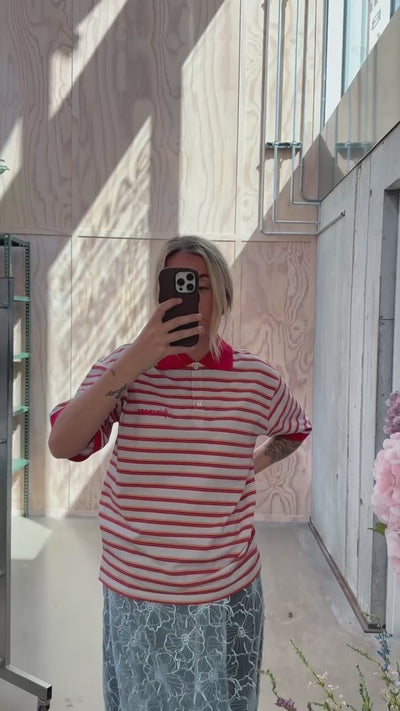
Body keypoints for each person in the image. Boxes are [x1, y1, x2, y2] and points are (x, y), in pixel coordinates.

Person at [48, 235, 312, 711]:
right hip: (137, 589)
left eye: (201, 285)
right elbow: (63, 444)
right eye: (175, 284)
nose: (187, 296)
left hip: (227, 589)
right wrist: (134, 360)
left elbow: (293, 429)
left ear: (224, 295)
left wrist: (248, 465)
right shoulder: (124, 370)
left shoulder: (255, 378)